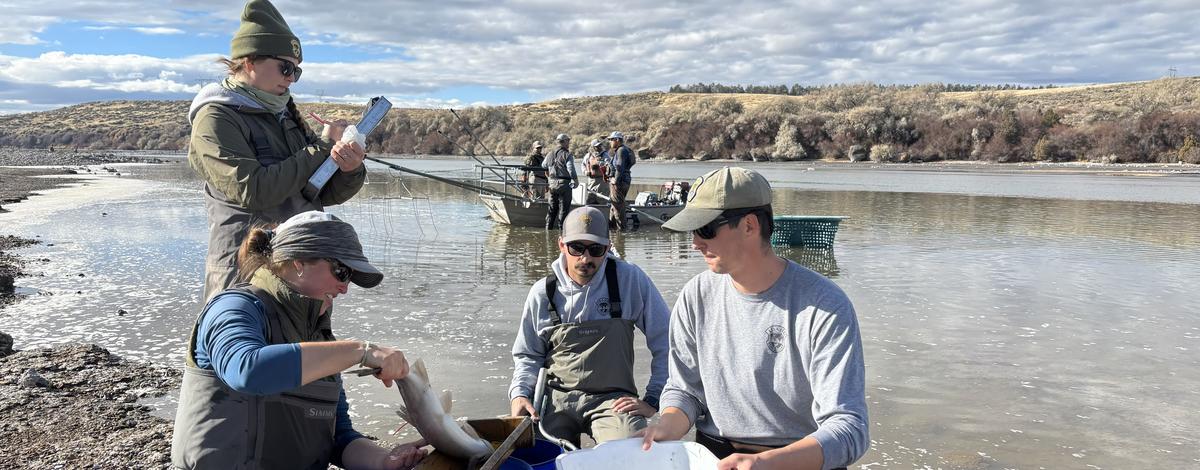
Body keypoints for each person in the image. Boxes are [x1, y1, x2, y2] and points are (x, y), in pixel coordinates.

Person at [640, 167, 868, 470]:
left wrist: (766, 463)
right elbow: (685, 390)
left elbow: (849, 428)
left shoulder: (825, 305)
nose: (695, 242)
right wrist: (667, 424)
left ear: (749, 225)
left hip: (799, 458)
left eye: (705, 229)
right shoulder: (695, 295)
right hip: (713, 454)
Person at [171, 211, 427, 470]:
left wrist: (386, 461)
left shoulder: (321, 339)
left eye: (349, 276)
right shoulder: (236, 307)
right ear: (298, 262)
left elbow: (339, 437)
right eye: (341, 271)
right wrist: (361, 351)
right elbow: (248, 370)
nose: (345, 287)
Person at [188, 0, 366, 301]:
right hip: (246, 274)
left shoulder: (285, 115)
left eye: (297, 72)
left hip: (302, 270)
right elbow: (255, 190)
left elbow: (319, 192)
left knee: (309, 348)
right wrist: (320, 147)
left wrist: (349, 168)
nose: (290, 78)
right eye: (285, 67)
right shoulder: (215, 118)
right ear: (249, 62)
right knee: (248, 348)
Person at [509, 207, 671, 448]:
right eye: (576, 248)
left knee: (634, 452)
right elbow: (528, 355)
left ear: (607, 248)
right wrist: (520, 394)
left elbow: (668, 340)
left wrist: (653, 399)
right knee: (532, 451)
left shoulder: (630, 280)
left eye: (595, 250)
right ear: (561, 245)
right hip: (556, 399)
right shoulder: (543, 292)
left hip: (614, 401)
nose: (585, 258)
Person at [543, 133, 579, 229]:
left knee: (551, 210)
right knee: (563, 210)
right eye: (568, 141)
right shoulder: (567, 154)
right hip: (564, 184)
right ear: (563, 142)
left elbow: (543, 165)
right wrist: (576, 180)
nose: (569, 143)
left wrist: (549, 176)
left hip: (552, 184)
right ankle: (561, 232)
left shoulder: (550, 154)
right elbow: (571, 169)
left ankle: (548, 230)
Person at [603, 131, 636, 230]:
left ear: (617, 140)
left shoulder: (621, 151)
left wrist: (615, 181)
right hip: (625, 180)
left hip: (619, 182)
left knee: (618, 209)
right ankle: (611, 230)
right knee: (614, 206)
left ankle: (621, 233)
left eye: (611, 140)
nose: (610, 142)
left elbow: (619, 167)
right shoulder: (626, 150)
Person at [582, 139, 610, 203]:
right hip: (591, 182)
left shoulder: (605, 155)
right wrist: (585, 172)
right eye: (597, 146)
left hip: (603, 182)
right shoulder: (588, 156)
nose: (599, 147)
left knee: (602, 202)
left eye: (600, 145)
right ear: (593, 147)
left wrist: (602, 164)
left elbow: (610, 166)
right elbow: (583, 165)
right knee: (590, 201)